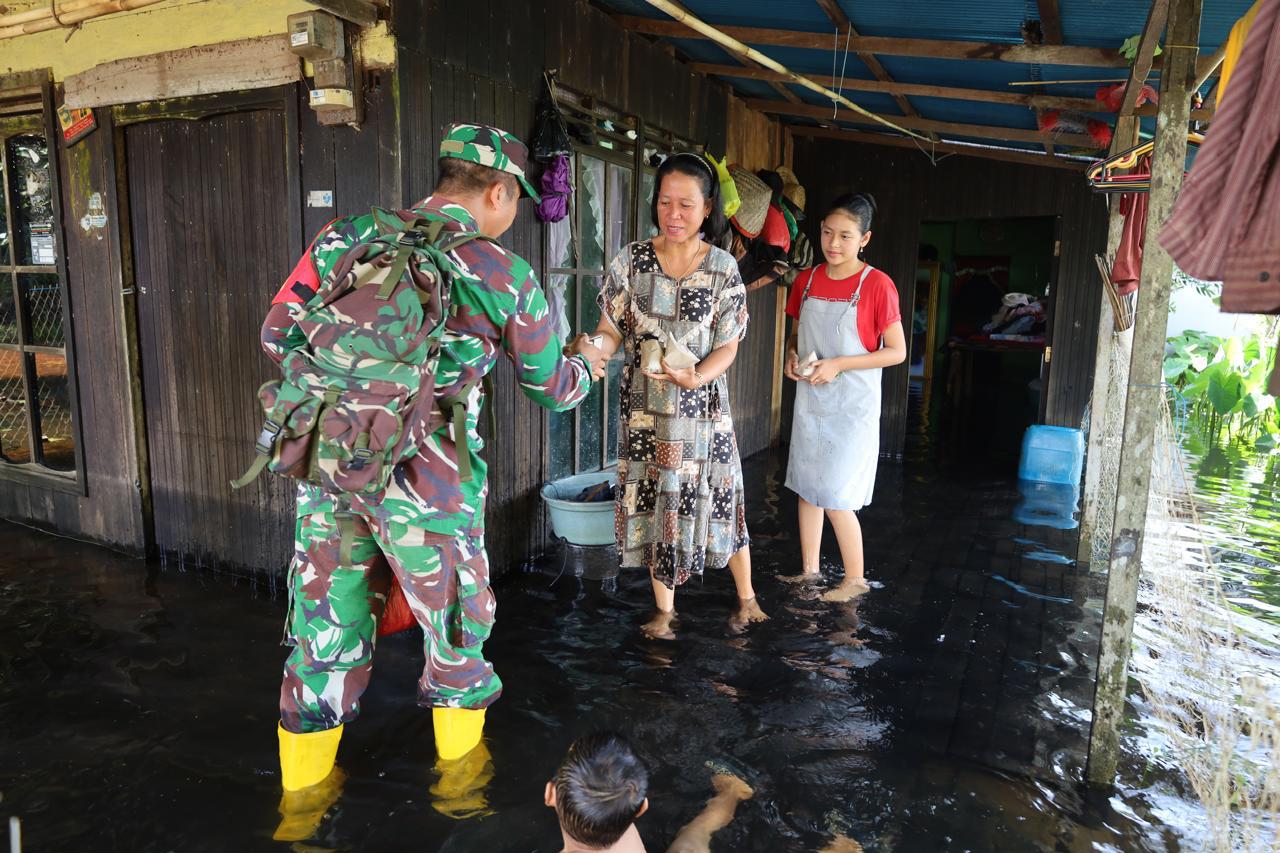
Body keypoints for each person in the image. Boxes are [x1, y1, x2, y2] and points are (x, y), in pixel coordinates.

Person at [260, 123, 607, 807]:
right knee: (455, 642)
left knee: (322, 639)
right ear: (499, 192)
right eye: (517, 202)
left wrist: (360, 397)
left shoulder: (344, 237)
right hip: (428, 484)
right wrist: (591, 360)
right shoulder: (501, 272)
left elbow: (277, 333)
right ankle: (461, 806)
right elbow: (555, 388)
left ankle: (297, 815)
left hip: (329, 463)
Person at [588, 152, 767, 639]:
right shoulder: (631, 260)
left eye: (686, 204)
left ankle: (747, 598)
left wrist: (699, 375)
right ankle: (665, 611)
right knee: (658, 501)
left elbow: (728, 346)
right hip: (647, 411)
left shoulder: (723, 269)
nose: (674, 214)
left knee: (723, 496)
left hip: (704, 411)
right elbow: (610, 327)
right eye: (666, 202)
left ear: (707, 209)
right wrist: (594, 348)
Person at [782, 192, 906, 602]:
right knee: (806, 487)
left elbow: (897, 351)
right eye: (827, 233)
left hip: (851, 405)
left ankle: (855, 579)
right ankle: (810, 571)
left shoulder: (878, 285)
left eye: (846, 236)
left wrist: (839, 364)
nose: (834, 244)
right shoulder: (808, 279)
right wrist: (791, 354)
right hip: (812, 398)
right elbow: (798, 334)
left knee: (836, 494)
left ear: (865, 239)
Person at [544, 733, 755, 853]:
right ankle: (733, 792)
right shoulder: (623, 810)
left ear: (550, 795)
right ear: (641, 809)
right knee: (690, 844)